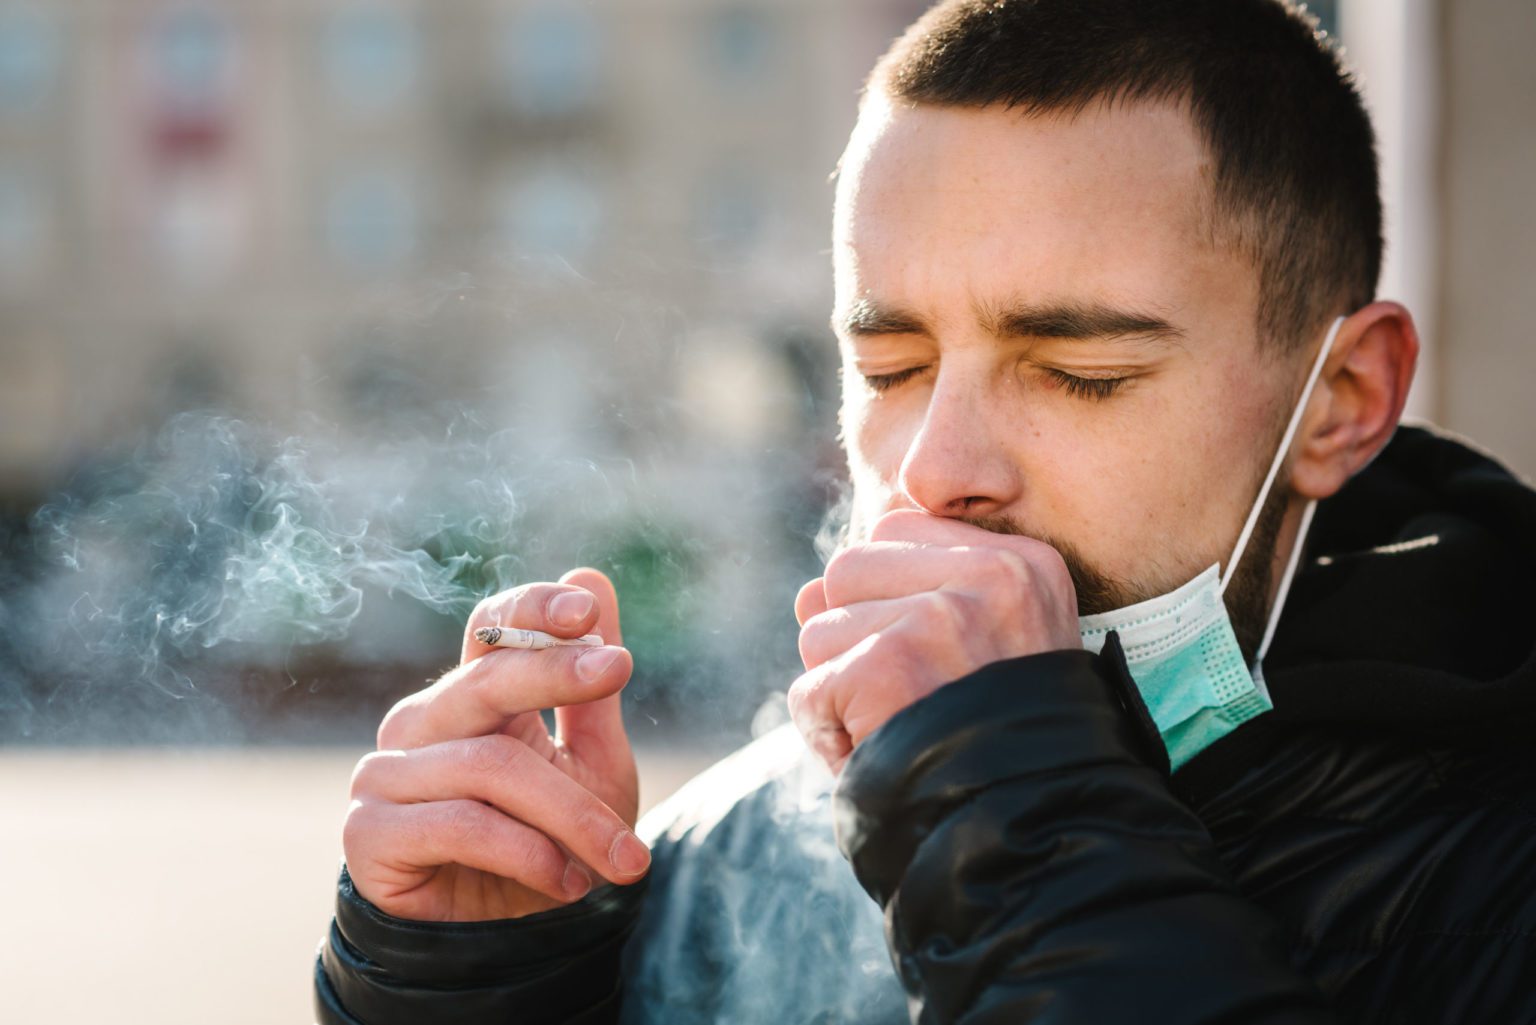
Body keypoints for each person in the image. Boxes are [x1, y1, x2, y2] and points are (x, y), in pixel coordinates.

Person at [315, 1, 1536, 1022]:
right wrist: (476, 978)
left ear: (1341, 399)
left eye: (1080, 372)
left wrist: (1020, 818)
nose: (939, 468)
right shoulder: (747, 844)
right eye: (891, 368)